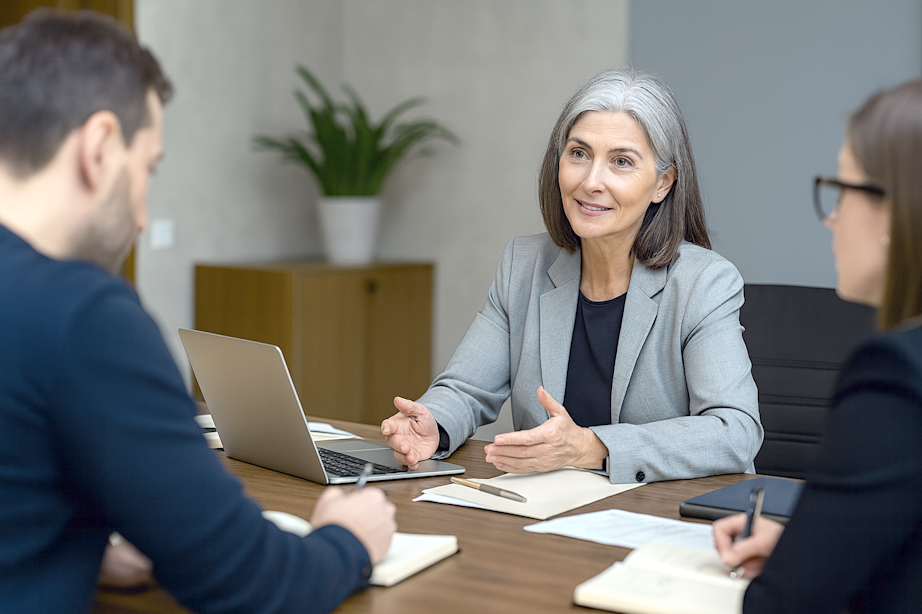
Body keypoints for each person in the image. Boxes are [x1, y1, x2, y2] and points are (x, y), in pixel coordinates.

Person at [0, 10, 395, 614]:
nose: (140, 218)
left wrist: (76, 542)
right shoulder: (84, 314)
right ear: (100, 146)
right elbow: (252, 584)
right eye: (146, 172)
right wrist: (348, 540)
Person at [382, 68, 763, 484]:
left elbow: (734, 432)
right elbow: (465, 389)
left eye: (621, 162)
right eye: (579, 153)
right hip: (548, 519)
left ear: (663, 183)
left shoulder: (703, 283)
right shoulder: (523, 264)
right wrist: (433, 424)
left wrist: (591, 447)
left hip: (658, 521)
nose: (591, 181)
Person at [713, 80, 922, 613]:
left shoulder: (896, 373)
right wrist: (810, 548)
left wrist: (798, 569)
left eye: (843, 189)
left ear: (896, 211)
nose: (831, 218)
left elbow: (783, 605)